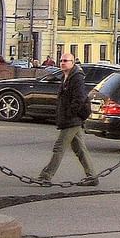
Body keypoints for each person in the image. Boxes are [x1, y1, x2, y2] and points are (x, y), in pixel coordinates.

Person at [37, 53, 98, 187]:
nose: (62, 63)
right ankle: (92, 176)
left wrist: (70, 113)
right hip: (70, 118)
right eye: (61, 61)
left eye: (66, 61)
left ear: (73, 62)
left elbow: (80, 98)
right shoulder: (66, 77)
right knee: (80, 149)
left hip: (72, 119)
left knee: (59, 147)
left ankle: (45, 176)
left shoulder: (76, 78)